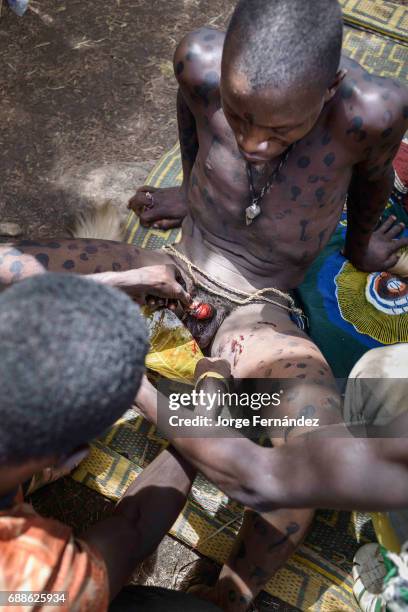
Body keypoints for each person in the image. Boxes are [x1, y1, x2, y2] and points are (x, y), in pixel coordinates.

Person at [4, 0, 408, 608]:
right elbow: (195, 129)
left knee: (301, 466)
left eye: (279, 132)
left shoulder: (371, 113)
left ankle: (228, 596)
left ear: (331, 91)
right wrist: (191, 201)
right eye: (239, 116)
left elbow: (282, 477)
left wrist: (360, 248)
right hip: (174, 268)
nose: (251, 144)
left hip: (258, 310)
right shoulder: (198, 62)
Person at [0, 273, 221, 612]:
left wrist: (123, 279)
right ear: (68, 458)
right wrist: (204, 417)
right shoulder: (36, 579)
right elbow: (130, 531)